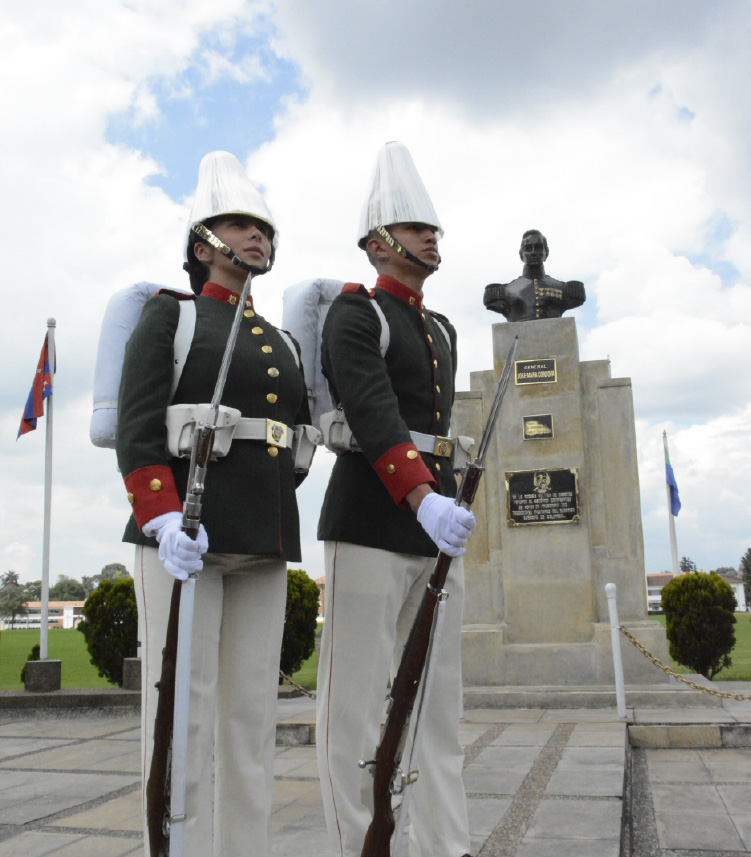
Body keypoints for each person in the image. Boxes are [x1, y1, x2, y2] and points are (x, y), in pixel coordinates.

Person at [116, 150, 311, 857]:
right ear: (205, 245)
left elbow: (291, 442)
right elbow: (139, 427)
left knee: (251, 715)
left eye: (262, 225)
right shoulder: (171, 318)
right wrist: (161, 514)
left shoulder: (281, 340)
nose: (256, 235)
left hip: (261, 535)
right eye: (238, 224)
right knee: (180, 713)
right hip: (182, 535)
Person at [316, 141, 475, 857]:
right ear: (380, 241)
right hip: (372, 517)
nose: (430, 237)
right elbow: (374, 410)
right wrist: (420, 495)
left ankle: (447, 844)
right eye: (416, 228)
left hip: (434, 525)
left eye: (432, 228)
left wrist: (443, 495)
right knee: (354, 703)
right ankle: (360, 844)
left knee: (438, 704)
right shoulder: (357, 315)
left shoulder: (437, 327)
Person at [483, 229, 585, 321]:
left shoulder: (566, 289)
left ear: (546, 253)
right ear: (521, 255)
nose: (533, 252)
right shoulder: (501, 292)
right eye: (528, 248)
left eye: (538, 248)